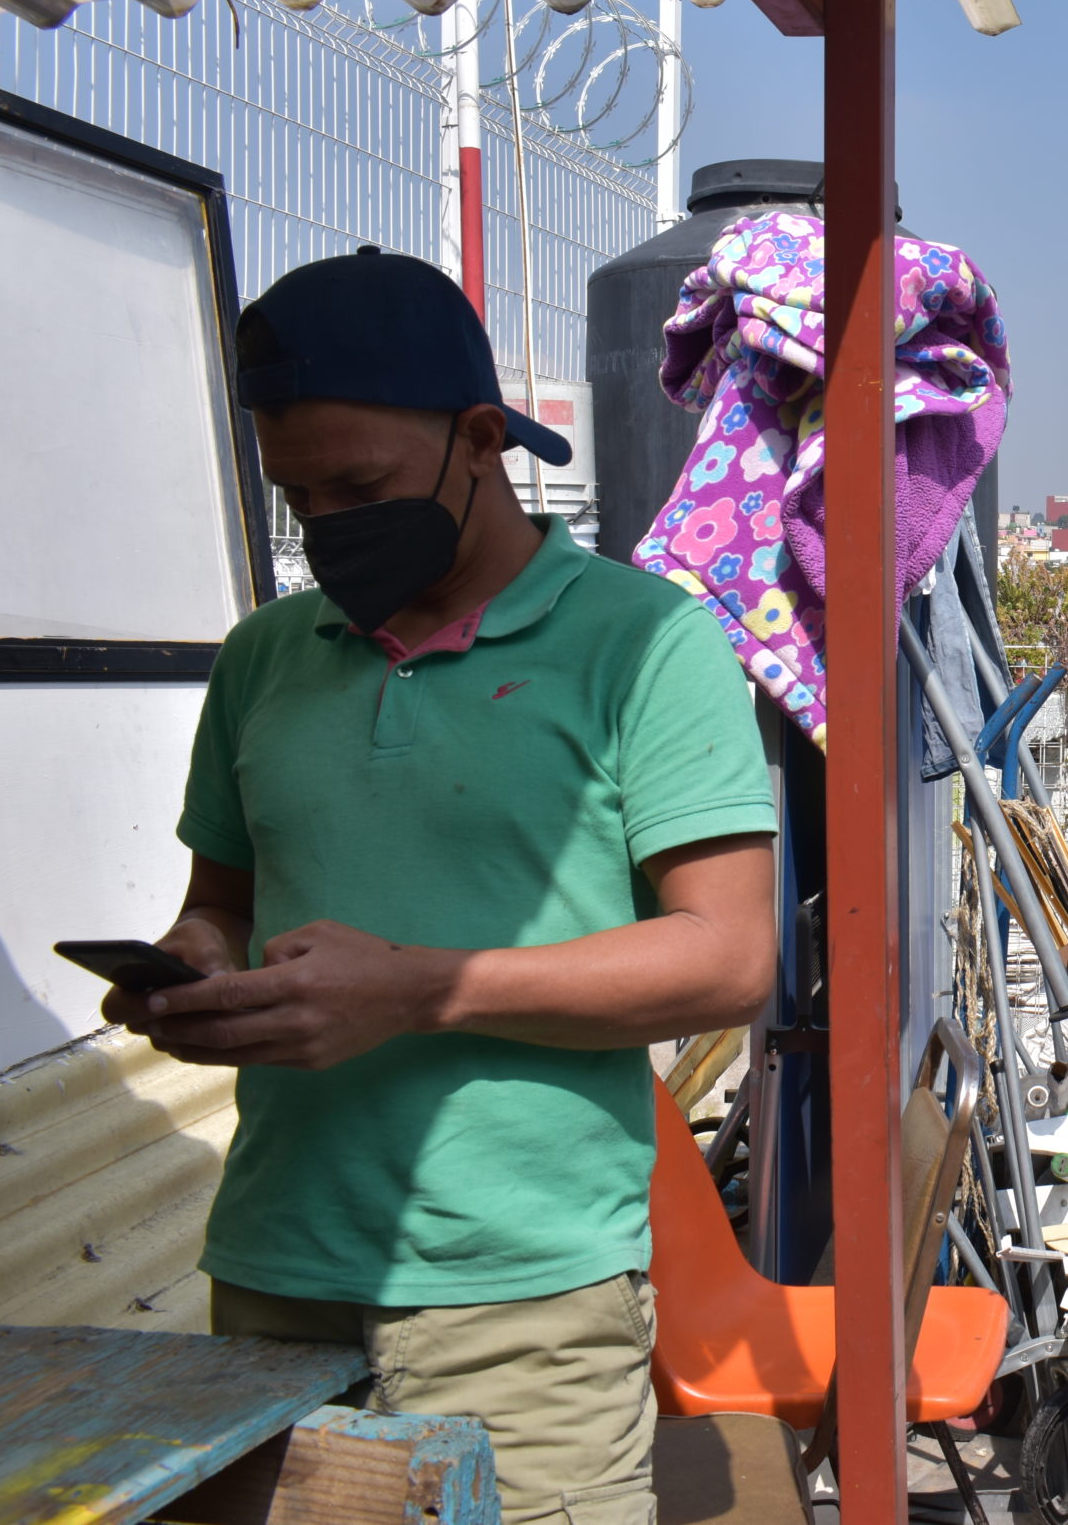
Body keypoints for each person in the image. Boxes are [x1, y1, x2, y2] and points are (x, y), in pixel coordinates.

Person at [102, 249, 781, 1525]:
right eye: (297, 493)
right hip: (274, 1266)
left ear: (482, 439)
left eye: (358, 486)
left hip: (521, 1293)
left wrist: (415, 993)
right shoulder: (262, 658)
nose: (327, 525)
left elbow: (727, 958)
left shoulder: (646, 645)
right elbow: (223, 904)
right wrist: (194, 962)